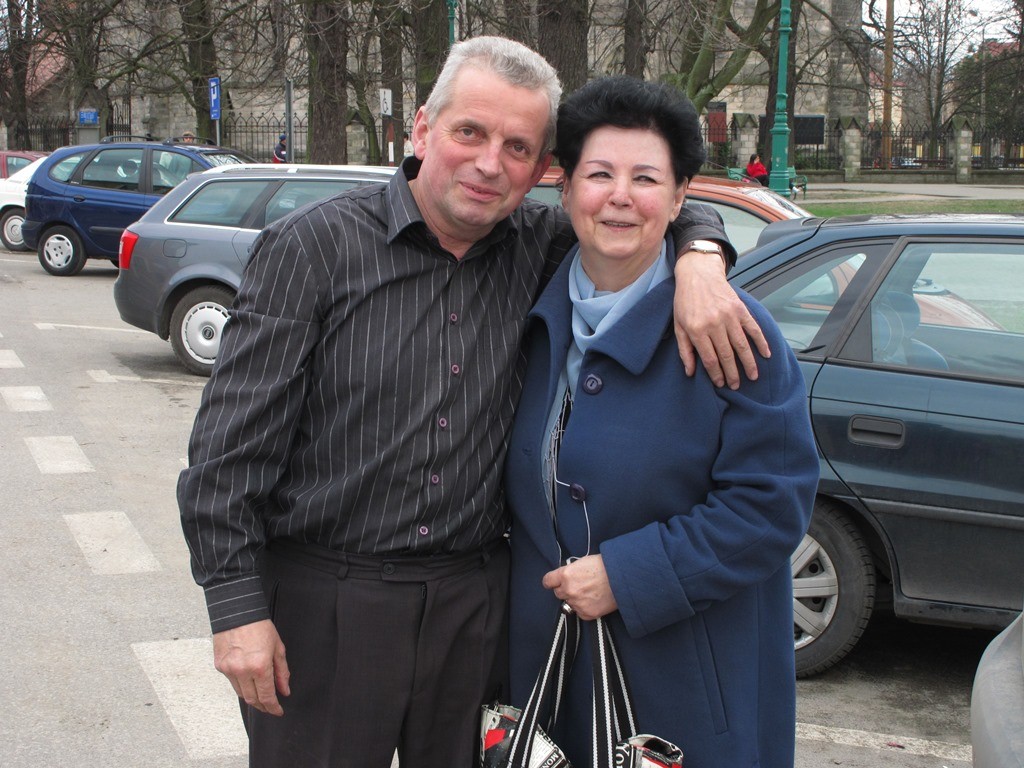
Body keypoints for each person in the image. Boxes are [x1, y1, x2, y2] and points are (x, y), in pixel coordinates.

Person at [178, 37, 766, 768]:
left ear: (541, 168)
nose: (490, 164)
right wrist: (236, 610)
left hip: (476, 610)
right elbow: (228, 452)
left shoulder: (543, 246)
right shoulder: (312, 248)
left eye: (518, 147)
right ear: (423, 129)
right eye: (470, 133)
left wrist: (703, 257)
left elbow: (640, 208)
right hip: (325, 604)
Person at [503, 76, 819, 768]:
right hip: (547, 680)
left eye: (646, 178)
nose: (620, 195)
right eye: (599, 174)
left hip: (682, 691)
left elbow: (771, 506)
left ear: (678, 201)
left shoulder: (730, 330)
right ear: (565, 189)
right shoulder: (527, 310)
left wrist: (628, 575)